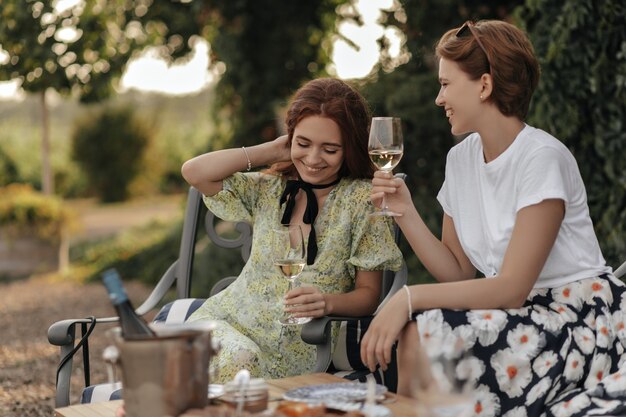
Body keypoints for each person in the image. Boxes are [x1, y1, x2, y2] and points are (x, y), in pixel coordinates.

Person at [360, 20, 626, 416]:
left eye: (447, 84)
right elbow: (458, 273)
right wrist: (405, 212)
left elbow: (511, 288)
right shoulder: (460, 159)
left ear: (484, 85)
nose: (438, 98)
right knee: (422, 332)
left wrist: (408, 297)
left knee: (426, 330)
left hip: (579, 318)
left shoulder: (542, 158)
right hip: (519, 315)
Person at [181, 77, 403, 383]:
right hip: (226, 322)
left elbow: (368, 294)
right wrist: (272, 152)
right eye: (303, 143)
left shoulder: (362, 200)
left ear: (349, 148)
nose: (312, 160)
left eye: (330, 149)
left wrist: (327, 302)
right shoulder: (270, 189)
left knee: (242, 363)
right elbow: (194, 171)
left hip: (298, 346)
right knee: (239, 359)